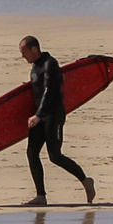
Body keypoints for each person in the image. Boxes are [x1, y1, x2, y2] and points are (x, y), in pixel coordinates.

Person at [19, 36, 95, 205]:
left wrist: (38, 114)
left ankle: (85, 180)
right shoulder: (35, 67)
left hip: (53, 116)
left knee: (55, 155)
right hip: (39, 115)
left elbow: (49, 90)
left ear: (34, 49)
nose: (23, 57)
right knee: (32, 153)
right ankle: (41, 196)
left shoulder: (50, 64)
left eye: (24, 53)